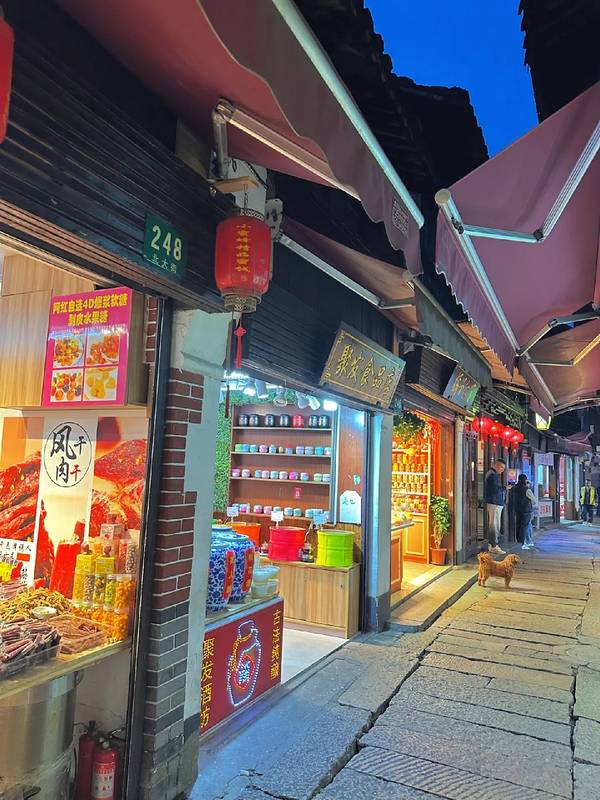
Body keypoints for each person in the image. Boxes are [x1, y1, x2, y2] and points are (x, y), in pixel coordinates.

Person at [485, 458, 507, 554]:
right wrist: (505, 488)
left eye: (503, 468)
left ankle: (493, 544)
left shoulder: (492, 475)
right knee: (494, 525)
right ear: (496, 465)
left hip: (495, 503)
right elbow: (495, 490)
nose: (502, 470)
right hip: (494, 503)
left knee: (494, 524)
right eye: (501, 467)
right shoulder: (492, 476)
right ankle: (494, 545)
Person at [514, 474, 537, 549]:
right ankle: (523, 543)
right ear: (525, 480)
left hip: (517, 509)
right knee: (524, 527)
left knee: (518, 526)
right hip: (526, 510)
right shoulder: (527, 489)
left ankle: (521, 542)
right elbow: (534, 500)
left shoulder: (514, 488)